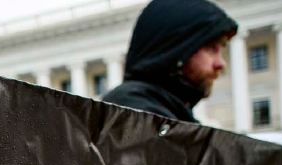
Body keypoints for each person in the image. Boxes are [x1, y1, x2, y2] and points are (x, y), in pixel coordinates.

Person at [102, 0, 238, 123]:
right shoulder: (132, 111)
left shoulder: (171, 111)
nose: (221, 63)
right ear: (179, 47)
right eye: (212, 48)